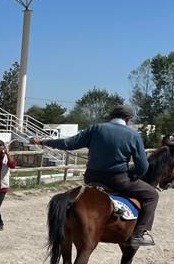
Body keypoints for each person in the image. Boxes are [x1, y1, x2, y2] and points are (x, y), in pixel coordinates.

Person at [31, 104, 158, 247]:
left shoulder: (96, 129)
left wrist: (44, 142)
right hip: (118, 180)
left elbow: (69, 143)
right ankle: (140, 234)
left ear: (112, 116)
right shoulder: (133, 135)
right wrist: (135, 175)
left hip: (92, 178)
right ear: (128, 119)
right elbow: (143, 166)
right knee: (152, 194)